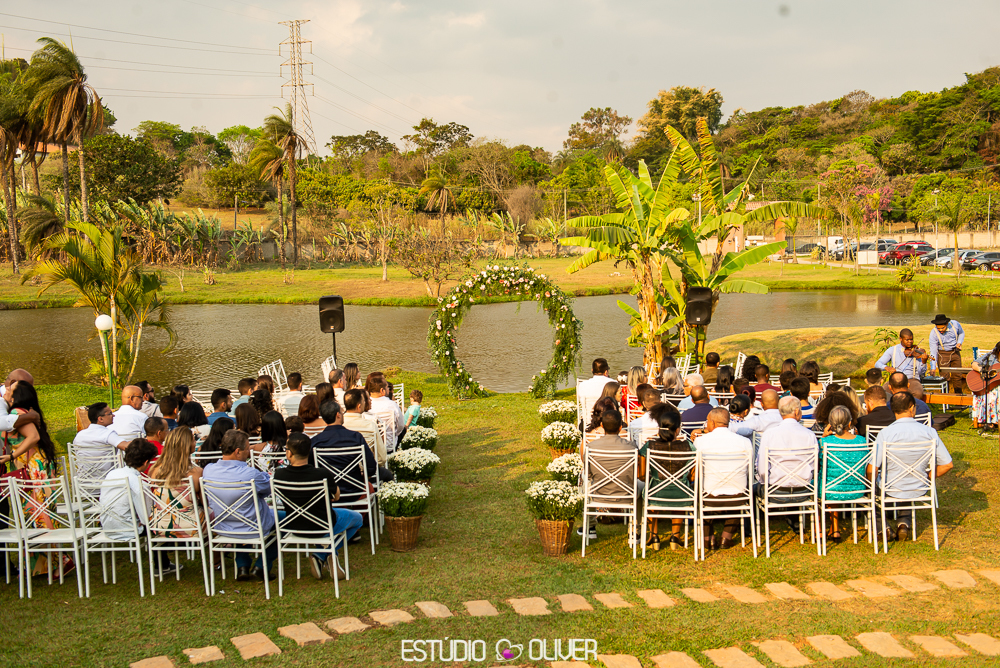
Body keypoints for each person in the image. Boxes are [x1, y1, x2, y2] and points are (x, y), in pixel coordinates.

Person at [272, 432, 364, 581]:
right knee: (358, 519)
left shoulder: (279, 475)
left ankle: (320, 555)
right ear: (309, 452)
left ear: (289, 453)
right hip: (322, 524)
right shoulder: (322, 474)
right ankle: (326, 553)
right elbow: (337, 497)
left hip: (293, 525)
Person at [1, 382, 69, 576]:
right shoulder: (22, 413)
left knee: (39, 513)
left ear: (18, 395)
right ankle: (40, 566)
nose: (6, 390)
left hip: (32, 468)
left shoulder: (18, 413)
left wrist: (12, 456)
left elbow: (33, 437)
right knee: (32, 514)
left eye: (10, 389)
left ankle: (58, 562)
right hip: (28, 466)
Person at [870, 392, 953, 542]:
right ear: (912, 408)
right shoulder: (929, 432)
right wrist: (928, 476)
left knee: (870, 485)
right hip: (919, 486)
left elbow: (873, 469)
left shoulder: (885, 434)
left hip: (891, 487)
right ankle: (903, 523)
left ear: (892, 409)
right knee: (908, 477)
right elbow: (947, 464)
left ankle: (883, 527)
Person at [202, 430, 277, 581]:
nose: (249, 452)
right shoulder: (250, 474)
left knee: (242, 516)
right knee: (284, 519)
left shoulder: (208, 470)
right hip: (252, 526)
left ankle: (242, 565)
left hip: (223, 525)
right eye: (247, 448)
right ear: (237, 452)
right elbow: (269, 489)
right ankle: (261, 566)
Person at [756, 396, 818, 532]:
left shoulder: (769, 434)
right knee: (794, 477)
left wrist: (765, 483)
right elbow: (814, 467)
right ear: (796, 411)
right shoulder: (809, 435)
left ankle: (753, 530)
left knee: (755, 487)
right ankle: (795, 521)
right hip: (804, 491)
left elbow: (762, 469)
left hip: (775, 492)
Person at [694, 407, 753, 550]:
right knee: (737, 485)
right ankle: (726, 537)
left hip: (709, 497)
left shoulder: (701, 442)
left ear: (713, 423)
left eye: (707, 421)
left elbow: (696, 471)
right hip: (739, 497)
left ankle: (708, 538)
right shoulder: (745, 442)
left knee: (699, 487)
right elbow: (749, 470)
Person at [577, 410, 638, 540]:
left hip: (598, 494)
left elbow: (588, 474)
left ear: (602, 426)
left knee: (585, 484)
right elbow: (635, 473)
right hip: (626, 494)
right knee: (642, 486)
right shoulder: (631, 447)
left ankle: (590, 526)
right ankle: (635, 529)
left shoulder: (591, 447)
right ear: (620, 427)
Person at [638, 408, 693, 549]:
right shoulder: (689, 447)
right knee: (681, 489)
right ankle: (675, 536)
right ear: (678, 429)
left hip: (656, 493)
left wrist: (653, 478)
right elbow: (693, 474)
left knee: (650, 491)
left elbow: (642, 475)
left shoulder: (649, 446)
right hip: (682, 494)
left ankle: (654, 536)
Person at [148, 427, 204, 548]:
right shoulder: (196, 473)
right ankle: (216, 557)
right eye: (193, 440)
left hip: (159, 526)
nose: (195, 442)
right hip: (191, 527)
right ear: (186, 445)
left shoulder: (155, 470)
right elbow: (205, 502)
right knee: (214, 516)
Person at [819, 405, 867, 542]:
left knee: (821, 481)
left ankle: (820, 530)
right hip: (857, 490)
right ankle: (834, 528)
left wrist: (823, 437)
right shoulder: (862, 441)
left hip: (830, 489)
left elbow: (818, 461)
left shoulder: (824, 442)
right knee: (832, 479)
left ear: (830, 424)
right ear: (850, 423)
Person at [99, 438, 159, 541]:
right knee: (163, 524)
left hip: (107, 527)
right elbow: (146, 517)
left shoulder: (112, 474)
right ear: (146, 462)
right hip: (130, 529)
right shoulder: (139, 483)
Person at [343, 388, 388, 467]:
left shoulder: (340, 426)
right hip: (366, 469)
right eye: (364, 401)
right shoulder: (370, 425)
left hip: (341, 469)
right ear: (359, 406)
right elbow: (382, 458)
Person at [928, 313, 965, 394]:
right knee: (944, 377)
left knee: (957, 375)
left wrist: (959, 342)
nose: (940, 330)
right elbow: (933, 351)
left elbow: (961, 333)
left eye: (942, 328)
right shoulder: (933, 334)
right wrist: (933, 367)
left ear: (947, 324)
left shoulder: (955, 324)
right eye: (938, 328)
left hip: (955, 352)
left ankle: (959, 396)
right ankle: (945, 397)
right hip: (942, 354)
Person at [972, 341, 1000, 431]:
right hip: (988, 385)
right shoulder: (990, 356)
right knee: (990, 394)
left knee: (995, 393)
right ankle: (989, 420)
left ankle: (994, 420)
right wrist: (981, 370)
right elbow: (974, 364)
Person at [369, 380, 404, 451]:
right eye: (387, 388)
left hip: (371, 446)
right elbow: (400, 426)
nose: (389, 390)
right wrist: (394, 434)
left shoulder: (367, 405)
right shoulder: (392, 405)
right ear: (382, 390)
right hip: (389, 445)